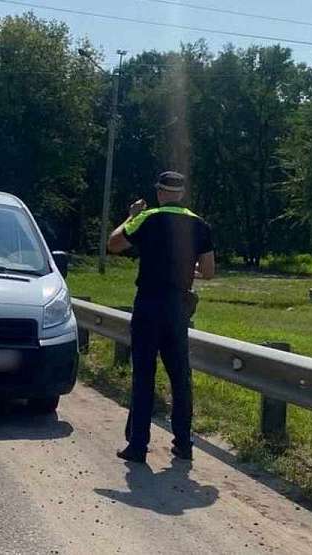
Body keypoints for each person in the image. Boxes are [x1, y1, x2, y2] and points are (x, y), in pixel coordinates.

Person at [106, 171, 215, 463]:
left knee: (144, 375)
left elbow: (113, 244)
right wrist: (182, 272)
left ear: (159, 192)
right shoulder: (200, 224)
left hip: (149, 303)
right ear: (181, 193)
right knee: (181, 376)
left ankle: (138, 446)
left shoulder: (148, 217)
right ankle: (183, 443)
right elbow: (208, 271)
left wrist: (131, 217)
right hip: (178, 305)